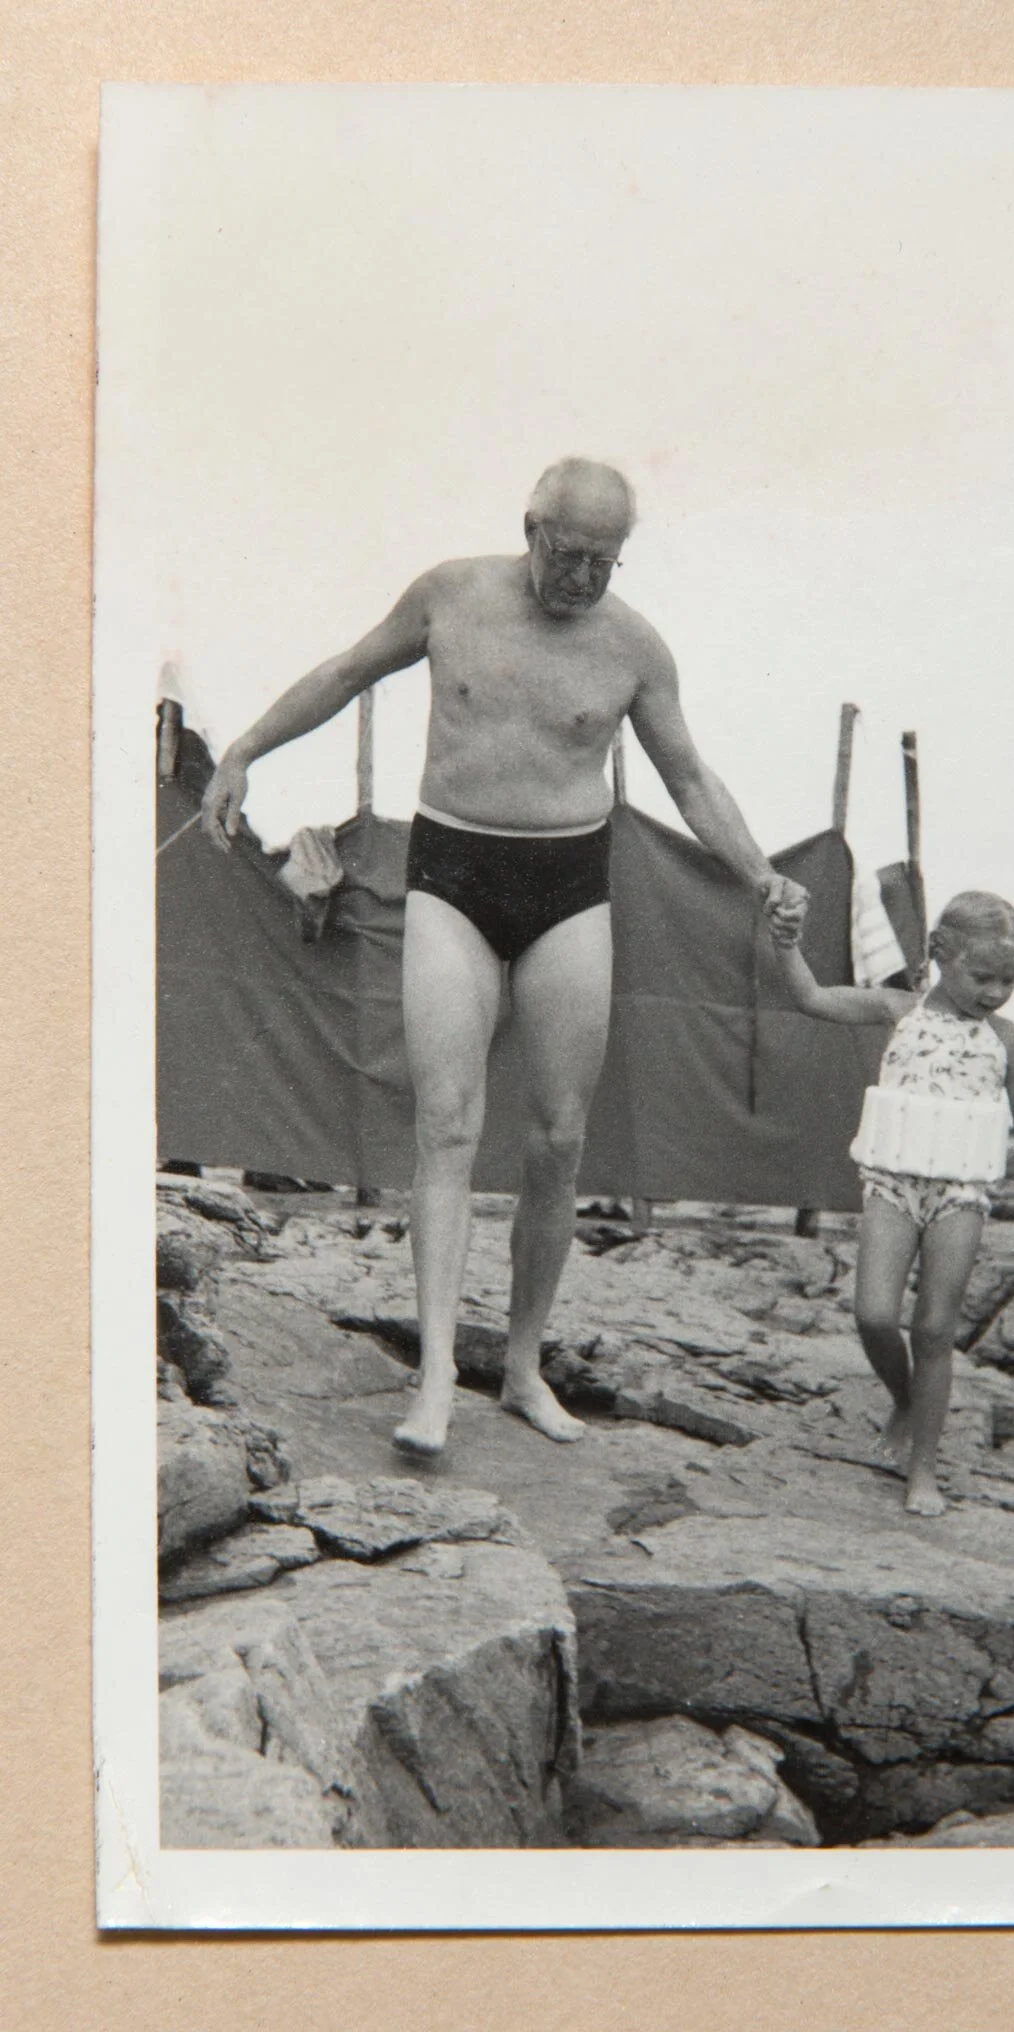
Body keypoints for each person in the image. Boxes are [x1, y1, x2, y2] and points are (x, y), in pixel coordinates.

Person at [200, 457, 806, 1455]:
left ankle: (523, 1368)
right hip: (453, 873)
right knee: (446, 1124)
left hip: (568, 883)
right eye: (569, 555)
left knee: (558, 1137)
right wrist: (243, 751)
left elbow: (691, 778)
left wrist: (759, 875)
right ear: (531, 527)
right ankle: (437, 1374)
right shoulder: (450, 595)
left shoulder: (634, 646)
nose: (583, 578)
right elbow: (345, 673)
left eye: (604, 562)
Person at [767, 890, 1014, 1516]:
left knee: (934, 1329)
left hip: (961, 1193)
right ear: (939, 954)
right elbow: (810, 998)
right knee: (874, 1315)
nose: (995, 992)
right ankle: (905, 1399)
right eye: (982, 976)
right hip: (892, 1185)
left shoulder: (1006, 1039)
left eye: (1009, 980)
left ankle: (923, 1470)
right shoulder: (896, 1009)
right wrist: (786, 943)